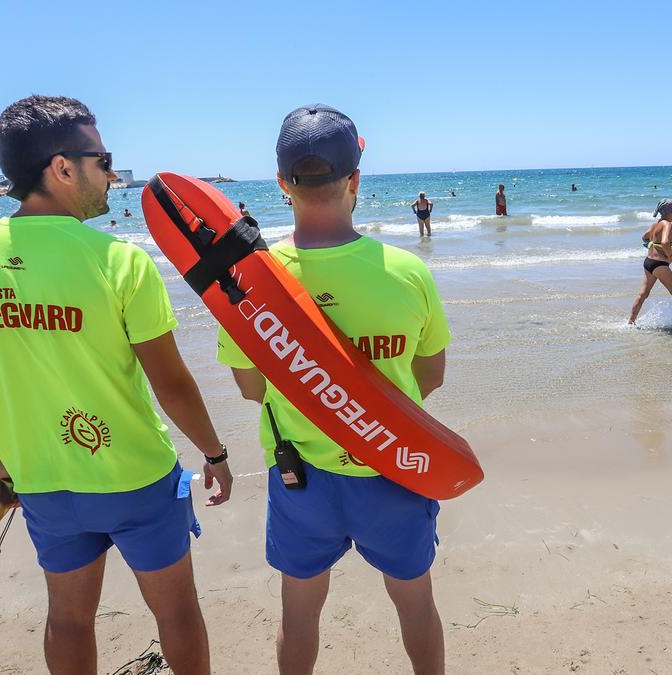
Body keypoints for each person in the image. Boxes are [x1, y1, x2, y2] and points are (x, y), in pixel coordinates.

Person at [0, 95, 232, 675]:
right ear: (62, 167)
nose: (113, 175)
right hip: (132, 475)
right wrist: (214, 453)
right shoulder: (118, 259)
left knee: (67, 618)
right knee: (176, 613)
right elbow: (170, 382)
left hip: (41, 481)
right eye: (103, 159)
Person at [217, 104, 451, 675]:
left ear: (281, 183)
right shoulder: (406, 271)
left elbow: (251, 389)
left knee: (298, 612)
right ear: (355, 180)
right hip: (393, 466)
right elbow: (430, 376)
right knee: (415, 604)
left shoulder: (252, 281)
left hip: (301, 479)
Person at [628, 198, 672, 326]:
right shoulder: (667, 224)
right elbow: (665, 242)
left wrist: (652, 244)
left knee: (643, 294)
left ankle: (631, 322)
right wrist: (669, 254)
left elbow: (644, 236)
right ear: (670, 210)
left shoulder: (655, 224)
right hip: (659, 265)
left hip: (649, 262)